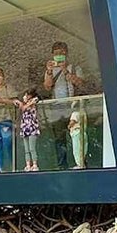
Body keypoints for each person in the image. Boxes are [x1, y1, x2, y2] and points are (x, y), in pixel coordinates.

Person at [43, 41, 84, 170]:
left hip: (72, 106)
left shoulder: (74, 68)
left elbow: (80, 83)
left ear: (67, 53)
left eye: (62, 53)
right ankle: (62, 165)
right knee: (59, 138)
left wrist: (65, 70)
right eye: (56, 54)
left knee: (76, 135)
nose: (59, 56)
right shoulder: (49, 70)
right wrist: (49, 71)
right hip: (57, 107)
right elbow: (47, 87)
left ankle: (81, 162)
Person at [18, 88, 41, 172]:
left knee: (32, 147)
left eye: (27, 95)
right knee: (26, 149)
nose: (26, 96)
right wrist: (23, 102)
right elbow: (22, 108)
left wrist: (29, 102)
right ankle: (28, 164)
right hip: (25, 127)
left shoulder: (34, 102)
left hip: (32, 127)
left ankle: (35, 164)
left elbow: (36, 100)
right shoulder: (24, 104)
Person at [68, 103, 86, 170]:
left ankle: (79, 164)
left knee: (77, 149)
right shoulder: (83, 113)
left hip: (77, 132)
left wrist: (69, 126)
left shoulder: (75, 113)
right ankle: (82, 163)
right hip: (83, 132)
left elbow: (73, 121)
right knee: (83, 149)